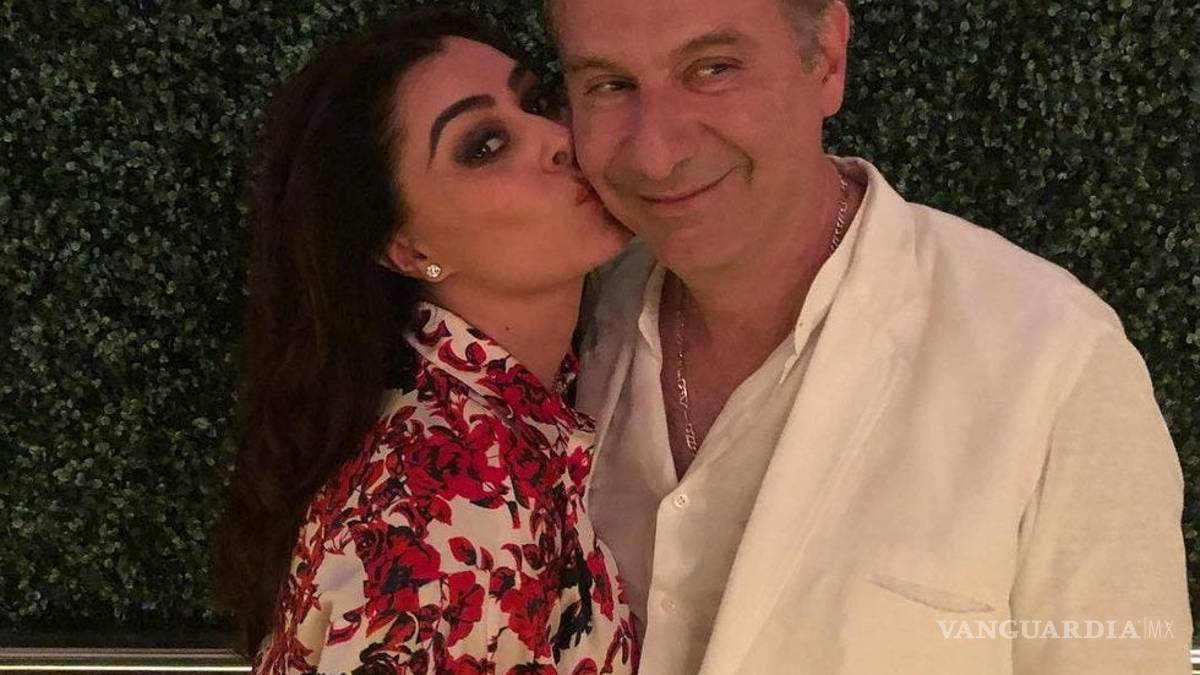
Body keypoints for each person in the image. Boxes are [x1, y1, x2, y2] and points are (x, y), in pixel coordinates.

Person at [542, 0, 1194, 673]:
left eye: (713, 69)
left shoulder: (1056, 360)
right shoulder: (567, 321)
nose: (655, 153)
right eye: (609, 85)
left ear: (827, 58)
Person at [206, 9, 639, 674]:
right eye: (484, 146)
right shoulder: (449, 507)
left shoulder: (516, 404)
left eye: (538, 102)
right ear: (408, 248)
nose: (558, 138)